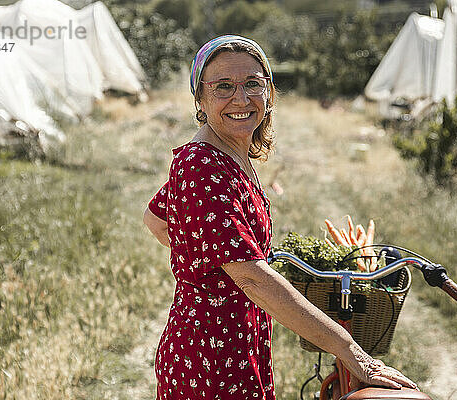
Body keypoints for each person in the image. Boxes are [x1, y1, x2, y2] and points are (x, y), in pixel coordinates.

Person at [144, 35, 416, 399]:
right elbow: (252, 280)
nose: (241, 98)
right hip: (210, 358)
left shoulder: (226, 154)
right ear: (200, 98)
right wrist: (350, 350)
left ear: (268, 92)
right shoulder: (202, 166)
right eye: (223, 86)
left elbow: (157, 218)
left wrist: (199, 252)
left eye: (253, 84)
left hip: (238, 345)